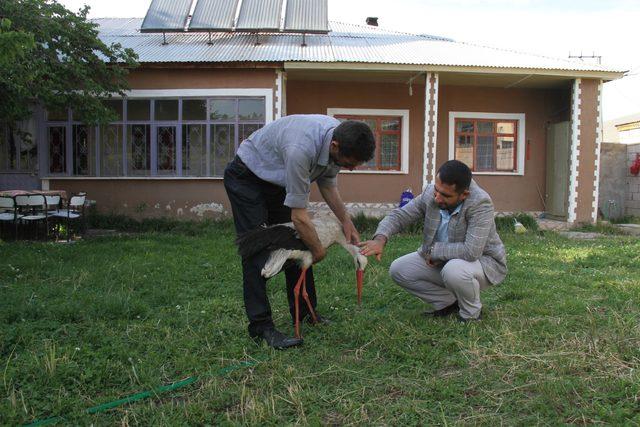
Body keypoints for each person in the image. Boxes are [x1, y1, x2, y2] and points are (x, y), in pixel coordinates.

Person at [224, 114, 376, 349]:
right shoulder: (301, 149)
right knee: (256, 247)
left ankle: (306, 313)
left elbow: (326, 183)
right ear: (335, 146)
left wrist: (346, 221)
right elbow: (299, 217)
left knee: (299, 241)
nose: (352, 168)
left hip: (277, 182)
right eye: (348, 163)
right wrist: (318, 251)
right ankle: (261, 327)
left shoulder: (340, 136)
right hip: (247, 178)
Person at [359, 160, 507, 321]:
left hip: (483, 263)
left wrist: (435, 252)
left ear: (464, 194)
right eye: (437, 190)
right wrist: (380, 239)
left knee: (454, 270)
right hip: (441, 260)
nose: (437, 198)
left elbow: (471, 251)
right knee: (399, 269)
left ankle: (470, 315)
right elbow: (400, 216)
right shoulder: (431, 193)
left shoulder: (480, 203)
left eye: (446, 195)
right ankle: (448, 304)